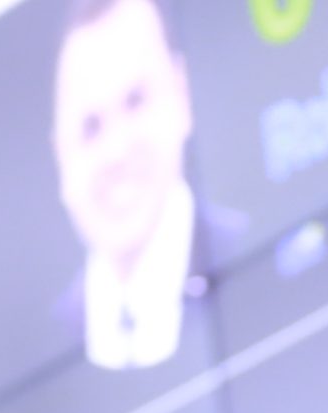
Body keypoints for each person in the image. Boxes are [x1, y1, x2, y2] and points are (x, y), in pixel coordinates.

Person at [51, 0, 247, 371]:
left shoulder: (251, 261)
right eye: (90, 127)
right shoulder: (53, 335)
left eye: (135, 102)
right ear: (61, 156)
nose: (116, 152)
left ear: (181, 97)